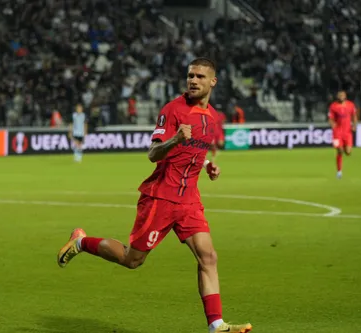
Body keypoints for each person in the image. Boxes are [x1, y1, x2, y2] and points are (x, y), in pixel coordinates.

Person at [57, 58, 253, 333]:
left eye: (199, 76)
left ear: (213, 82)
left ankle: (216, 324)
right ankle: (81, 242)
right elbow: (152, 153)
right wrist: (175, 140)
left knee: (208, 257)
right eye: (190, 75)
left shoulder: (211, 117)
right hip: (160, 198)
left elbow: (197, 150)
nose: (193, 80)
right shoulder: (173, 110)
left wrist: (208, 165)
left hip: (189, 200)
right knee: (132, 259)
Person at [328, 90, 358, 179]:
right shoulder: (333, 106)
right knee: (339, 151)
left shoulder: (350, 105)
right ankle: (339, 171)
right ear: (337, 96)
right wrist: (332, 124)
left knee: (348, 152)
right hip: (337, 133)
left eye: (342, 95)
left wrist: (355, 125)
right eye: (339, 95)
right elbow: (330, 118)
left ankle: (345, 147)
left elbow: (354, 116)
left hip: (347, 132)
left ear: (345, 96)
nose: (341, 96)